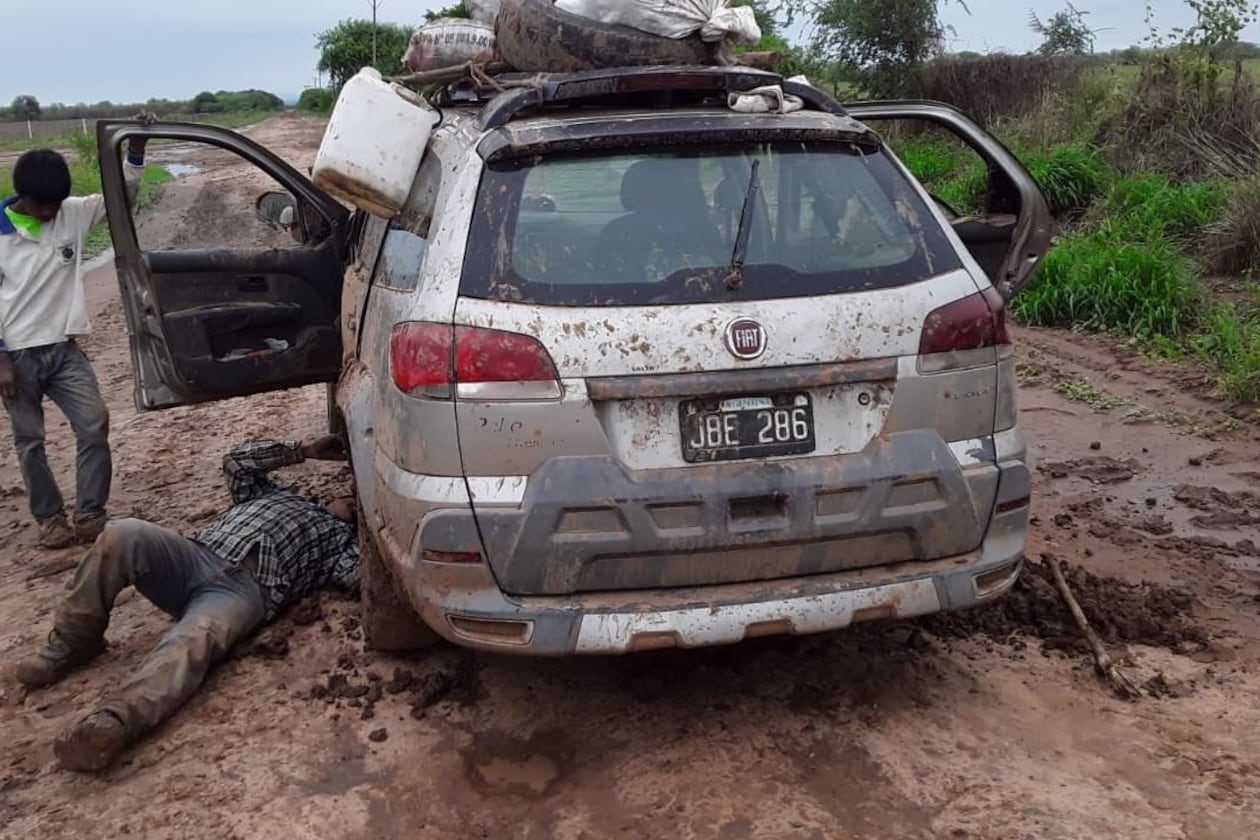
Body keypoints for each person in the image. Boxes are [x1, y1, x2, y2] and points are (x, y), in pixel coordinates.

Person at [13, 436, 361, 772]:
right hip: (193, 557)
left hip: (246, 592)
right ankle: (73, 642)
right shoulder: (274, 493)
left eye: (358, 504)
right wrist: (304, 450)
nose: (352, 501)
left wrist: (372, 532)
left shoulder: (341, 543)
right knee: (123, 534)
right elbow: (236, 462)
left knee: (194, 640)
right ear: (330, 492)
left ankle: (115, 720)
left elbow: (359, 577)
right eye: (350, 495)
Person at [0, 116, 154, 549]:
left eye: (56, 204)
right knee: (30, 441)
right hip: (17, 354)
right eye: (43, 205)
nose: (51, 213)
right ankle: (49, 519)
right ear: (23, 197)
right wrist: (1, 360)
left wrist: (136, 153)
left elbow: (122, 197)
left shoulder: (72, 213)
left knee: (93, 424)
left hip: (65, 349)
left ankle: (90, 515)